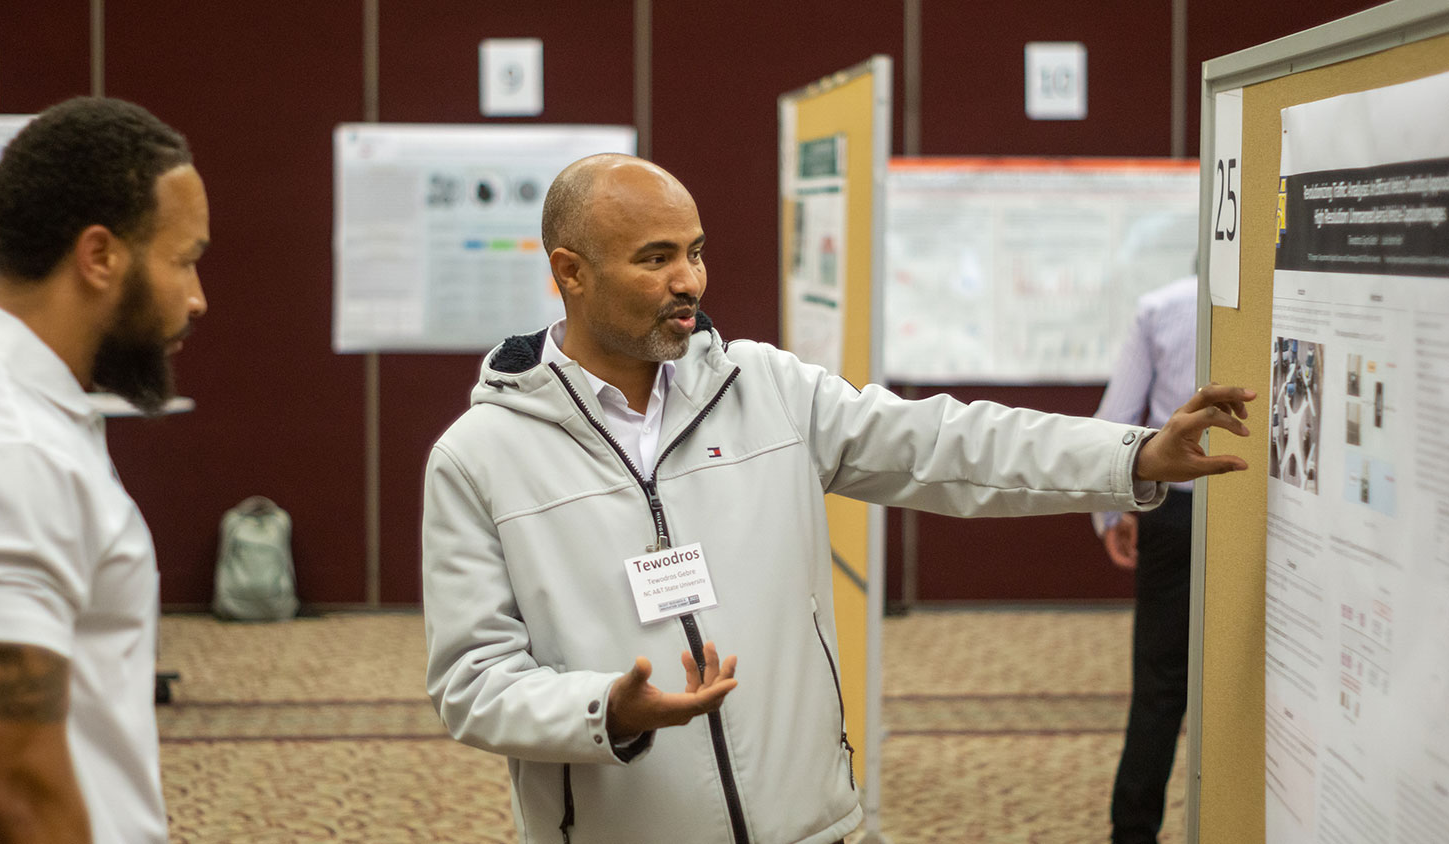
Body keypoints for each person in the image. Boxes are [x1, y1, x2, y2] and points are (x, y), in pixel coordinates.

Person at [421, 155, 1252, 844]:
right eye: (655, 258)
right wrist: (606, 709)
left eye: (697, 251)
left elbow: (945, 443)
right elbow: (472, 680)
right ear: (569, 273)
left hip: (809, 826)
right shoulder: (480, 458)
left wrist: (1132, 452)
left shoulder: (766, 389)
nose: (691, 280)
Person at [0, 97, 209, 844]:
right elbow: (13, 787)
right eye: (184, 260)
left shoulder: (7, 411)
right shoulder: (4, 446)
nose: (197, 298)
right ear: (100, 257)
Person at [1092, 274, 1198, 844]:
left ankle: (1133, 832)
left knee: (1160, 682)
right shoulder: (1282, 295)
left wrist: (1112, 514)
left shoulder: (1160, 308)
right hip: (1264, 513)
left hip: (1174, 514)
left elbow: (1116, 421)